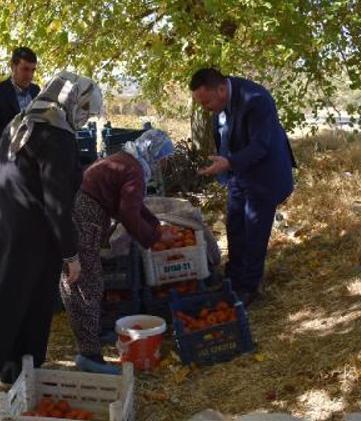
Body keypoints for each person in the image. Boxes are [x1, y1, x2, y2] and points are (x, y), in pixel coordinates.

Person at [0, 71, 103, 387]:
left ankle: (9, 369)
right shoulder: (56, 135)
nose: (84, 117)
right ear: (71, 100)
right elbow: (57, 203)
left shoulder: (21, 122)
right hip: (33, 231)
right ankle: (20, 371)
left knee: (9, 293)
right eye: (84, 108)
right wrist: (71, 253)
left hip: (2, 223)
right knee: (31, 300)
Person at [61, 129, 176, 374]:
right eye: (163, 157)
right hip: (86, 217)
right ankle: (88, 355)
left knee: (89, 280)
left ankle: (91, 335)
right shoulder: (134, 170)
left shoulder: (128, 161)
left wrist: (154, 226)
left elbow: (133, 205)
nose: (163, 163)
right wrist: (154, 237)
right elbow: (128, 213)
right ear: (153, 152)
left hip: (83, 212)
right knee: (84, 283)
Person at [189, 67, 296, 306]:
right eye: (201, 103)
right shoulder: (219, 101)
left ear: (220, 88)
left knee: (254, 231)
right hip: (239, 173)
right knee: (235, 225)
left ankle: (249, 288)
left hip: (265, 175)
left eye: (206, 102)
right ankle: (234, 277)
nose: (205, 108)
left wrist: (229, 162)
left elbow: (261, 146)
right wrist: (226, 164)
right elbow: (225, 136)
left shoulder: (256, 100)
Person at [0, 47, 40, 163]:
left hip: (32, 162)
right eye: (25, 69)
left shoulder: (35, 90)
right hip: (5, 162)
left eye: (33, 70)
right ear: (13, 67)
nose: (30, 75)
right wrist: (17, 136)